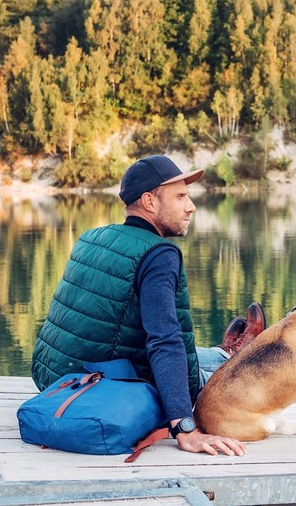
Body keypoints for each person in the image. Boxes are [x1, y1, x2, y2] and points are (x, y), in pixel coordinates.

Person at [31, 154, 265, 456]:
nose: (190, 206)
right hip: (105, 388)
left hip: (56, 377)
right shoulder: (158, 254)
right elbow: (164, 341)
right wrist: (185, 428)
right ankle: (237, 358)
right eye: (180, 196)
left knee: (191, 354)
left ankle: (226, 352)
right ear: (150, 202)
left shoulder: (92, 237)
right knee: (230, 372)